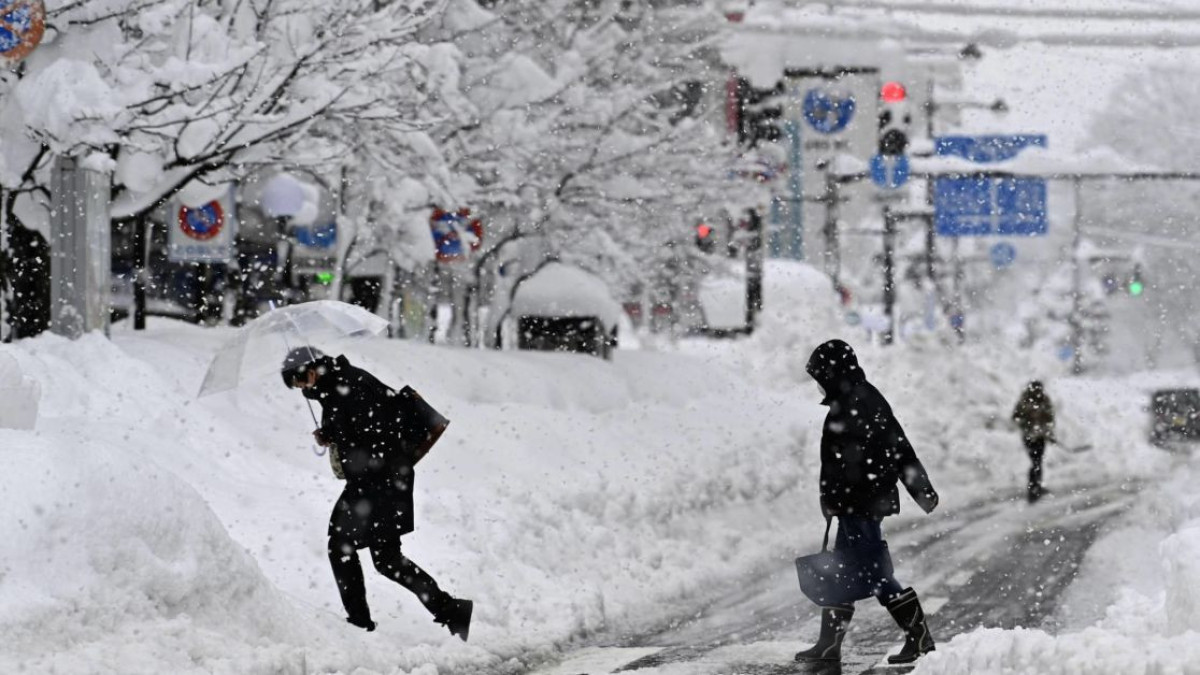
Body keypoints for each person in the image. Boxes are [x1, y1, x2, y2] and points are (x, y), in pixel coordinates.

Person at [280, 347, 473, 640]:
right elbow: (355, 428)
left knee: (341, 545)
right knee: (387, 559)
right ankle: (450, 609)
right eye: (299, 388)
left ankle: (359, 625)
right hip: (379, 479)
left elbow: (377, 431)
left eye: (302, 382)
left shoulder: (352, 385)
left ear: (311, 370)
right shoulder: (334, 387)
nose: (303, 389)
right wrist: (331, 434)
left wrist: (341, 437)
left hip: (380, 480)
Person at [796, 339, 940, 665]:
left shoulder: (862, 401)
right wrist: (829, 498)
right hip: (852, 505)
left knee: (875, 573)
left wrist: (921, 489)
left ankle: (919, 637)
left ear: (833, 373)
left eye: (820, 377)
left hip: (862, 504)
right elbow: (837, 463)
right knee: (841, 571)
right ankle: (829, 645)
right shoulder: (850, 400)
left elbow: (897, 446)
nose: (818, 386)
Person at [1011, 380, 1055, 503]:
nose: (1038, 392)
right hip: (1029, 437)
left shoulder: (1044, 400)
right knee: (1036, 462)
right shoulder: (1025, 401)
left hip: (1040, 437)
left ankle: (1037, 486)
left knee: (1038, 461)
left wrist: (1048, 432)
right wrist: (1027, 425)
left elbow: (1049, 418)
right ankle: (1033, 488)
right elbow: (1015, 417)